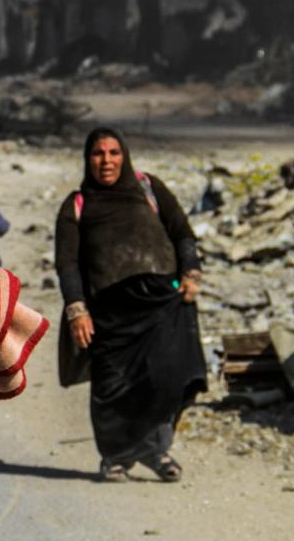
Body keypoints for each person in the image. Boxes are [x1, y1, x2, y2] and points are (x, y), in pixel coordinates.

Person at [54, 128, 206, 483]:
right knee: (113, 386)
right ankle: (116, 456)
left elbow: (182, 232)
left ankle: (156, 450)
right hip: (109, 312)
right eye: (98, 154)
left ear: (124, 156)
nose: (106, 161)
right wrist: (77, 309)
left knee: (168, 376)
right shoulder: (76, 205)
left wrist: (191, 274)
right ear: (87, 159)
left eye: (113, 153)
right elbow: (67, 264)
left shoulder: (149, 188)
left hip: (161, 302)